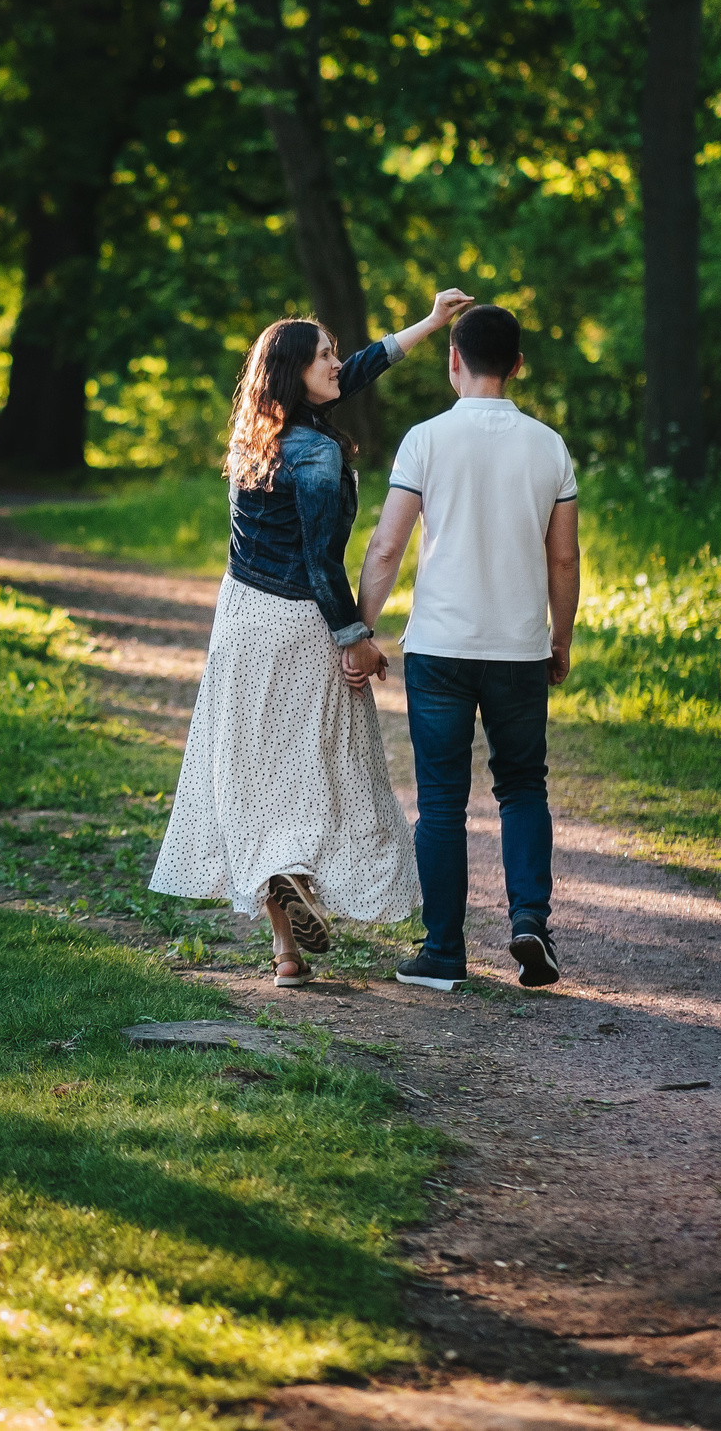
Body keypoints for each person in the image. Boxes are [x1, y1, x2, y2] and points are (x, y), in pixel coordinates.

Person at [149, 288, 475, 985]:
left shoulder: (254, 441)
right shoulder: (319, 459)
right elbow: (324, 560)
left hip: (239, 621)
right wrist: (355, 636)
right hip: (301, 622)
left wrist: (426, 324)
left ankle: (285, 953)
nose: (338, 362)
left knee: (257, 780)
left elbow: (357, 370)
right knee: (318, 772)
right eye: (324, 355)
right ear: (296, 372)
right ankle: (298, 890)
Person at [354, 304, 579, 992]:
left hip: (440, 650)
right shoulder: (549, 446)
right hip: (518, 648)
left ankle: (443, 952)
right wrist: (559, 638)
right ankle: (529, 922)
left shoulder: (425, 439)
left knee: (443, 800)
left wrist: (359, 629)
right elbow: (564, 558)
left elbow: (388, 544)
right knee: (522, 786)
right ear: (516, 364)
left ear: (453, 358)